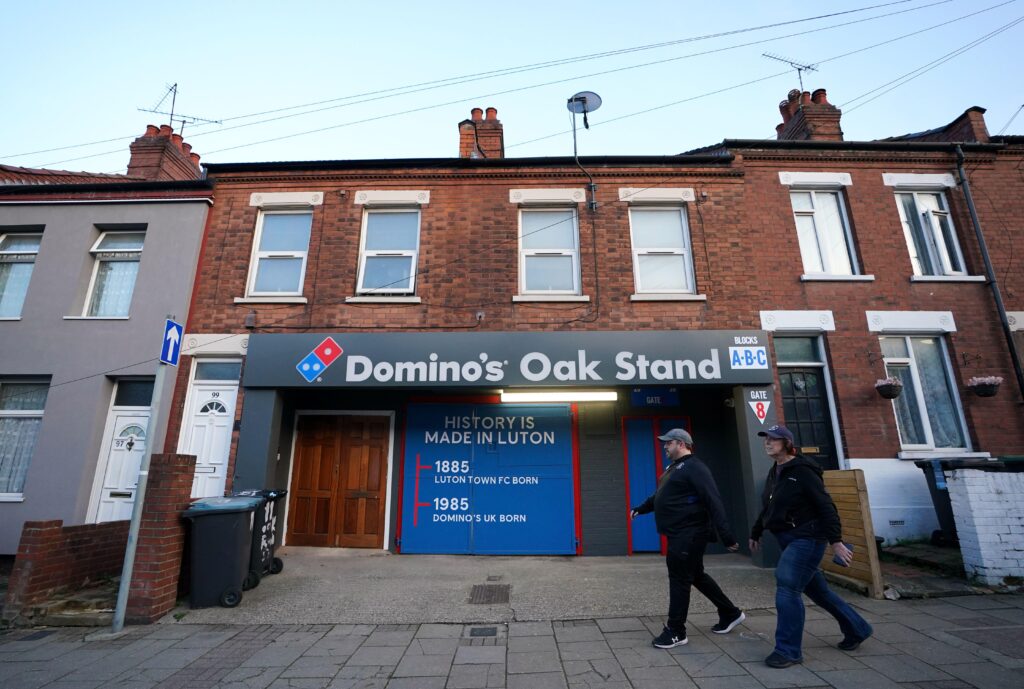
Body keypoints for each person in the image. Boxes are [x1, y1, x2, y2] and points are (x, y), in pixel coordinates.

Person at [749, 424, 873, 669]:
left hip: (807, 538)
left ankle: (788, 650)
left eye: (774, 439)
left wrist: (835, 541)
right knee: (819, 592)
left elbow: (826, 507)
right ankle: (858, 628)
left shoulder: (803, 471)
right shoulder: (777, 471)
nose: (768, 443)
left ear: (787, 443)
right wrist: (756, 530)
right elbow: (769, 506)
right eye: (766, 439)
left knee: (787, 586)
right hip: (787, 538)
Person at [631, 428, 745, 648]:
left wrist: (727, 536)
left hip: (689, 533)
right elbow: (661, 495)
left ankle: (676, 631)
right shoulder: (674, 469)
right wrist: (641, 508)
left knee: (679, 579)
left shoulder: (695, 467)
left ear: (681, 444)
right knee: (696, 575)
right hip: (679, 533)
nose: (664, 446)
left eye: (668, 443)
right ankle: (730, 613)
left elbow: (713, 500)